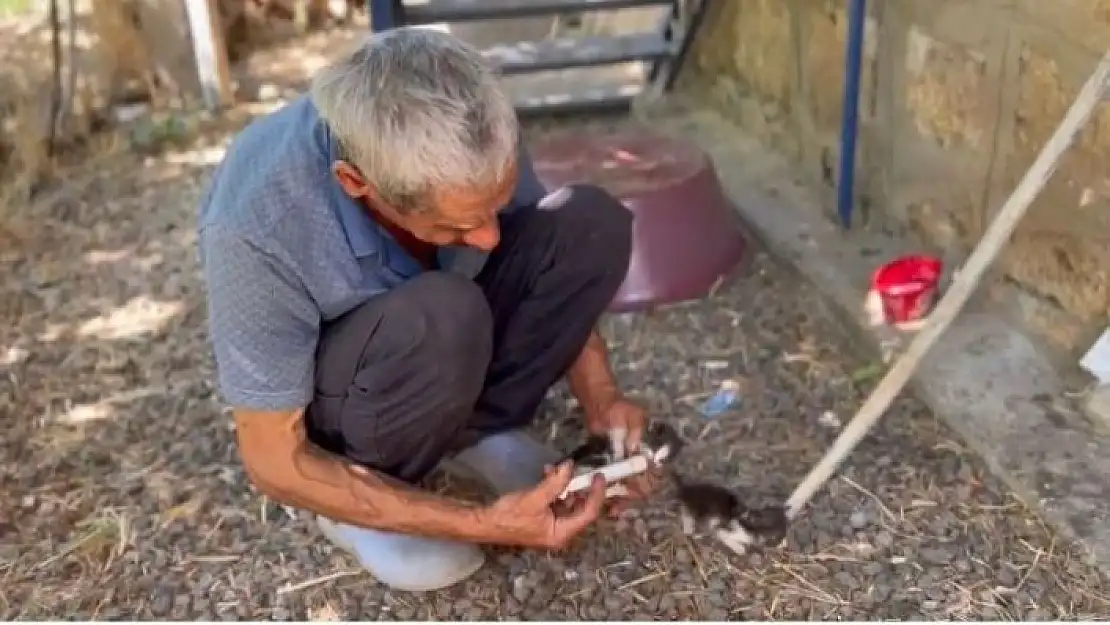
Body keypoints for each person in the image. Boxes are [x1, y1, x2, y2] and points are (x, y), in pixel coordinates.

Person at [197, 27, 656, 592]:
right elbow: (273, 458)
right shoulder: (256, 222)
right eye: (459, 225)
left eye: (494, 204)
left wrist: (602, 398)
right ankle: (361, 504)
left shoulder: (468, 126)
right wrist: (481, 524)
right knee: (443, 311)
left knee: (587, 224)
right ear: (356, 182)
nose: (488, 239)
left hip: (437, 331)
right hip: (355, 399)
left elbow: (541, 255)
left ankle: (477, 432)